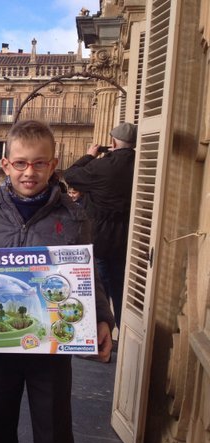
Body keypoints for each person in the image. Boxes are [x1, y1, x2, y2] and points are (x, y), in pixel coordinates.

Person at [0, 120, 114, 443]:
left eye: (39, 163)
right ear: (6, 165)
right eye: (21, 163)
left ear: (53, 164)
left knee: (54, 437)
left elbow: (88, 272)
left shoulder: (74, 217)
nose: (29, 172)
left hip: (52, 346)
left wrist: (102, 318)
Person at [63, 122, 137, 330]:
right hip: (128, 237)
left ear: (113, 142)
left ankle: (100, 335)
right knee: (121, 290)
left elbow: (70, 175)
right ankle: (123, 334)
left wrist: (89, 156)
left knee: (99, 291)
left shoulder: (101, 167)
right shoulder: (143, 164)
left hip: (100, 237)